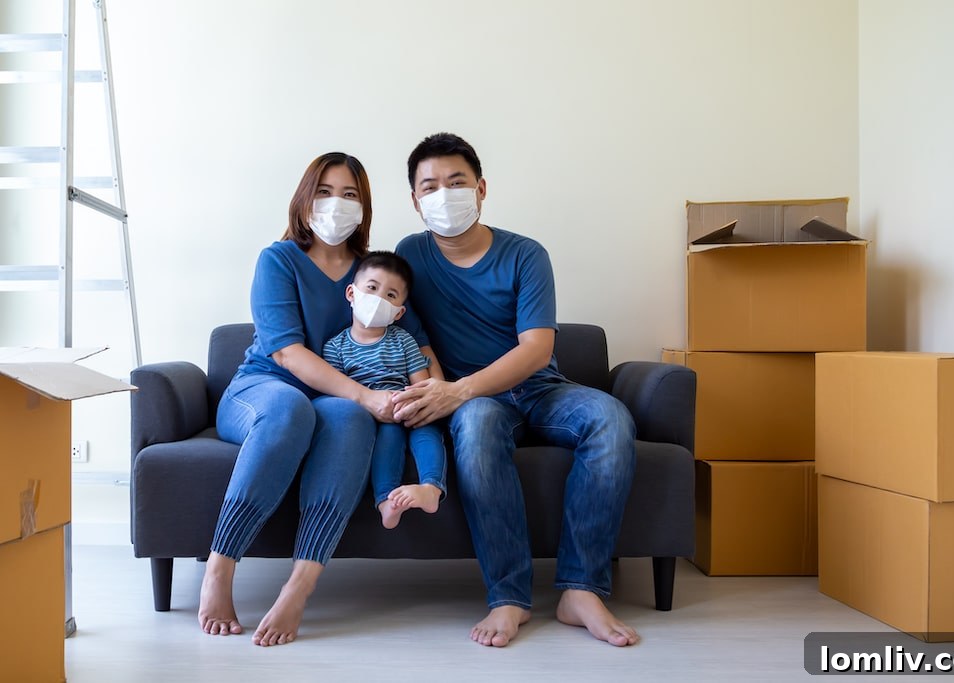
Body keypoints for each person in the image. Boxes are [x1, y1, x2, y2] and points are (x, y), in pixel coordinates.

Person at [393, 132, 639, 648]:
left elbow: (535, 348)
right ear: (415, 201)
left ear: (481, 189)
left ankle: (580, 590)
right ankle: (508, 596)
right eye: (430, 186)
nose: (444, 195)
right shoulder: (410, 255)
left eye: (456, 182)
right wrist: (441, 391)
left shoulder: (526, 253)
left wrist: (456, 392)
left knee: (610, 417)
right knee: (479, 425)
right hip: (477, 403)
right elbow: (411, 337)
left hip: (538, 387)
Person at [200, 152, 431, 647]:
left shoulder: (372, 273)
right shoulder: (278, 259)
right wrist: (368, 395)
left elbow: (418, 340)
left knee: (348, 417)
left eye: (349, 195)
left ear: (364, 208)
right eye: (325, 191)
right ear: (305, 199)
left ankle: (300, 586)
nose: (336, 203)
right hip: (263, 392)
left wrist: (432, 390)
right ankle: (219, 569)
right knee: (293, 407)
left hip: (332, 405)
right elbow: (285, 353)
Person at [322, 250, 447, 529]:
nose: (379, 298)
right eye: (372, 288)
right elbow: (337, 392)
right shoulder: (336, 347)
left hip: (407, 405)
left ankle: (431, 489)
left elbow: (422, 383)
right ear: (352, 293)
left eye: (391, 295)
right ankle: (385, 502)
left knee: (427, 431)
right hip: (371, 414)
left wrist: (413, 405)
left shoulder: (404, 341)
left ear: (399, 311)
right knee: (388, 438)